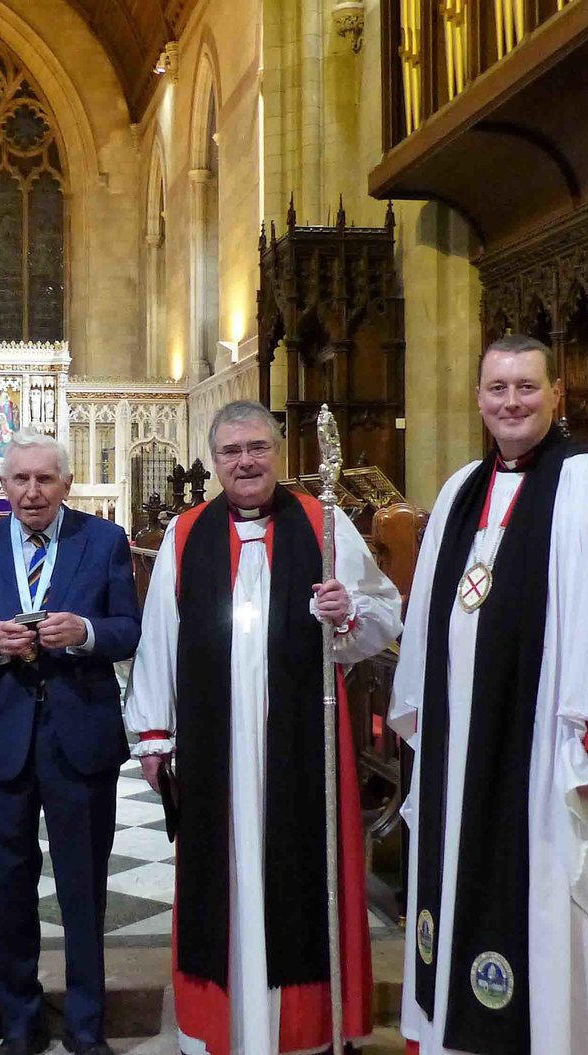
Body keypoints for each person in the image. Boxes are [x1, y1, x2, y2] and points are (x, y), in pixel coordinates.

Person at [389, 335, 588, 1055]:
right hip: (463, 749)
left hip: (547, 750)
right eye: (498, 388)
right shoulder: (456, 492)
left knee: (553, 906)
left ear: (557, 393)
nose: (512, 402)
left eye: (527, 387)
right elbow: (429, 620)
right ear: (478, 399)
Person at [125, 399, 403, 1055]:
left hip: (302, 745)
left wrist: (348, 610)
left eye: (256, 448)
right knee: (218, 879)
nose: (245, 461)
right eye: (231, 451)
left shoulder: (323, 521)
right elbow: (160, 636)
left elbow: (384, 618)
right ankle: (223, 1029)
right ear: (215, 460)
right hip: (215, 742)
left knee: (301, 873)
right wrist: (153, 734)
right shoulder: (187, 534)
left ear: (276, 452)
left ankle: (303, 1031)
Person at [0, 430, 141, 1055]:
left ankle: (86, 1027)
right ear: (2, 485)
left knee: (83, 886)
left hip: (80, 732)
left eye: (45, 479)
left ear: (66, 483)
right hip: (6, 735)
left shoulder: (104, 540)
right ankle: (20, 1025)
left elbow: (128, 629)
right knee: (7, 886)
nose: (32, 492)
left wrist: (82, 631)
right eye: (20, 480)